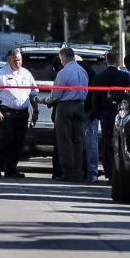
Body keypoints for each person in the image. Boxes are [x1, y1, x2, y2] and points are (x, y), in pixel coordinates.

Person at [0, 48, 39, 178]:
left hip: (22, 113)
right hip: (7, 114)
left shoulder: (26, 74)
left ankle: (11, 169)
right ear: (9, 59)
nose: (18, 62)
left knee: (19, 142)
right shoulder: (1, 74)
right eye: (15, 60)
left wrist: (36, 110)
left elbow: (33, 93)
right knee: (5, 141)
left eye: (20, 60)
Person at [47, 46, 88, 182]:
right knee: (78, 140)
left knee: (65, 141)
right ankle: (78, 172)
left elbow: (56, 94)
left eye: (60, 58)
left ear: (63, 57)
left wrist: (47, 100)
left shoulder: (63, 73)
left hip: (65, 107)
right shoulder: (83, 71)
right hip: (80, 106)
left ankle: (68, 172)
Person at [90, 51, 130, 182]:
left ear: (106, 61)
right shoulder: (125, 77)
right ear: (118, 61)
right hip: (120, 113)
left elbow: (95, 97)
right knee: (119, 142)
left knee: (107, 142)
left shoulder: (99, 77)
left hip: (105, 114)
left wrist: (96, 113)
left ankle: (108, 171)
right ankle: (117, 170)